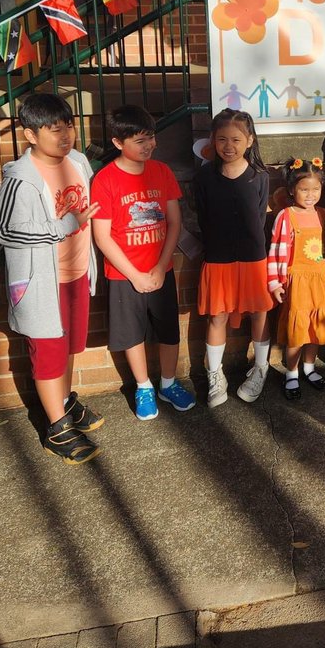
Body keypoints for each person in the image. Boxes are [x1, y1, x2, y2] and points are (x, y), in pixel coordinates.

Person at [0, 93, 102, 463]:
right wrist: (67, 224)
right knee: (49, 355)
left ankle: (65, 401)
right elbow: (7, 230)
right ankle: (56, 428)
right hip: (42, 282)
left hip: (77, 272)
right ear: (30, 135)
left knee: (70, 347)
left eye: (68, 126)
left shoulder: (78, 160)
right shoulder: (21, 178)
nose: (65, 135)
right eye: (53, 130)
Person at [91, 105, 195, 422]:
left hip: (160, 270)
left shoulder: (162, 172)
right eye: (139, 140)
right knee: (132, 334)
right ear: (118, 142)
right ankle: (143, 386)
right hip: (125, 275)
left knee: (168, 332)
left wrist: (161, 266)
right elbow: (103, 236)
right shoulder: (105, 180)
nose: (148, 145)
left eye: (150, 137)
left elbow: (174, 223)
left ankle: (167, 382)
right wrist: (135, 275)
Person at [194, 110, 274, 406]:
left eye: (237, 139)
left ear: (250, 140)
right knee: (218, 315)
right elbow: (202, 216)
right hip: (217, 258)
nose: (229, 145)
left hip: (253, 259)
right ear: (213, 141)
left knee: (259, 313)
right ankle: (215, 373)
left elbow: (259, 218)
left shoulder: (260, 177)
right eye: (222, 139)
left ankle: (262, 368)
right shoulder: (203, 177)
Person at [268, 157, 325, 400]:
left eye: (315, 189)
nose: (310, 195)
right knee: (298, 329)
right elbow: (276, 251)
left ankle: (309, 367)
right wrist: (274, 282)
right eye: (304, 189)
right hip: (297, 280)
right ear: (292, 189)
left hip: (322, 278)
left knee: (316, 328)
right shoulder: (285, 216)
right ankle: (291, 373)